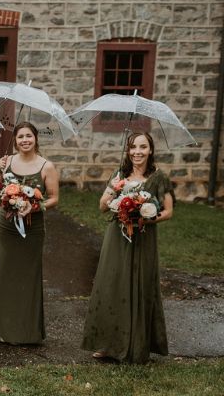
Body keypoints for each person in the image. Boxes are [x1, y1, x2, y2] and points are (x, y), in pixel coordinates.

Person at [82, 132, 173, 363]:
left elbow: (168, 211)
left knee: (140, 284)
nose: (137, 152)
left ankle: (136, 344)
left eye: (143, 147)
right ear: (128, 150)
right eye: (133, 147)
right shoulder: (119, 174)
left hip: (144, 238)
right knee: (111, 284)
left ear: (151, 150)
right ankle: (106, 344)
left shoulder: (159, 177)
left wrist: (145, 216)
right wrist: (114, 189)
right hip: (117, 238)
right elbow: (103, 206)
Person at [0, 122, 59, 345]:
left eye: (29, 136)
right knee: (4, 272)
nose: (25, 140)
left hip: (32, 227)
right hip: (7, 225)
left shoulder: (47, 166)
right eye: (20, 137)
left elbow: (54, 198)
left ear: (36, 139)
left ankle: (26, 331)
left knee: (27, 275)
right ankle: (3, 327)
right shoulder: (7, 161)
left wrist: (35, 207)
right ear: (16, 140)